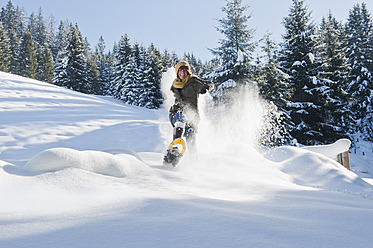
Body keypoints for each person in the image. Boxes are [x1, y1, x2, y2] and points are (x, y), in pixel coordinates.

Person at [166, 61, 214, 160]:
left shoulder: (193, 81)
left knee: (191, 142)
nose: (182, 73)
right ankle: (176, 148)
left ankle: (194, 164)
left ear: (188, 71)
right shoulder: (175, 85)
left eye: (185, 71)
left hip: (192, 117)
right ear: (177, 72)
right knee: (180, 118)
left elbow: (210, 84)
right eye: (180, 71)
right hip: (176, 113)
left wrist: (206, 88)